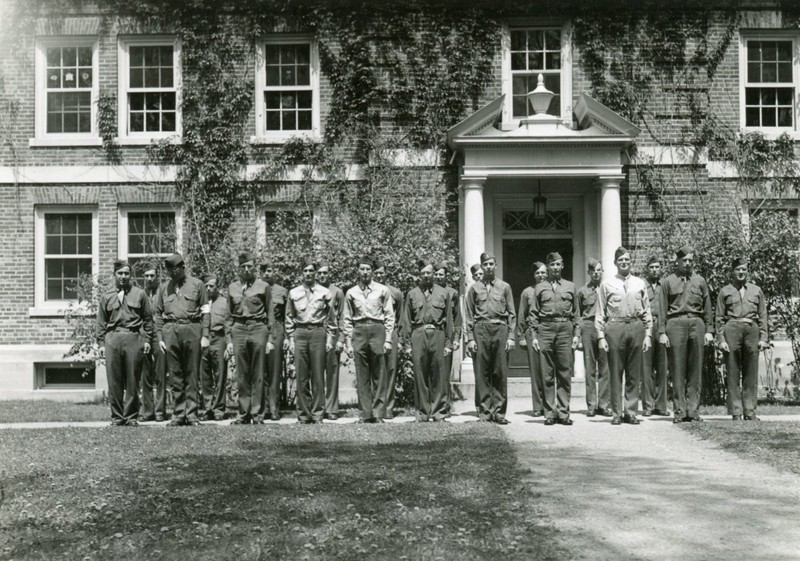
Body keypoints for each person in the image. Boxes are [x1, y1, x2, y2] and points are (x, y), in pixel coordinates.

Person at [596, 247, 653, 425]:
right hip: (615, 326)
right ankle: (616, 413)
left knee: (634, 372)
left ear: (631, 262)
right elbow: (600, 312)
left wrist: (648, 335)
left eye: (627, 260)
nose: (624, 263)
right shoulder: (606, 284)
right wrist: (601, 337)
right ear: (615, 263)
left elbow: (647, 311)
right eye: (620, 260)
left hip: (636, 326)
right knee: (615, 371)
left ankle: (630, 411)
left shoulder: (639, 283)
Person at [658, 245, 714, 423]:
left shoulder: (700, 281)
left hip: (696, 324)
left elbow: (707, 308)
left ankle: (693, 410)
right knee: (677, 368)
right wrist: (662, 332)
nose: (688, 263)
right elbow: (661, 309)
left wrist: (709, 331)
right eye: (684, 260)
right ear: (678, 261)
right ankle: (680, 411)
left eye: (690, 260)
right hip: (675, 324)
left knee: (695, 369)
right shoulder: (668, 282)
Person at [98, 259, 155, 427]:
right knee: (113, 380)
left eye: (126, 274)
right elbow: (101, 322)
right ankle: (117, 417)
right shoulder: (107, 296)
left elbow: (148, 319)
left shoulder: (140, 294)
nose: (123, 277)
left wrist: (148, 340)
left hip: (133, 338)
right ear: (114, 275)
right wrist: (101, 344)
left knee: (132, 379)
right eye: (120, 273)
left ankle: (130, 417)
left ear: (131, 276)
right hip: (113, 339)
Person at [154, 253, 210, 427]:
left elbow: (206, 310)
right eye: (169, 270)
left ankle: (192, 414)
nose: (172, 272)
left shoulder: (197, 284)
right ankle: (178, 414)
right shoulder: (164, 288)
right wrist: (160, 337)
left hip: (192, 328)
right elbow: (157, 314)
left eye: (175, 269)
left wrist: (205, 335)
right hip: (170, 330)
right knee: (175, 374)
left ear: (183, 267)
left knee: (192, 373)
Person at [464, 252, 515, 424]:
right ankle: (485, 412)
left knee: (499, 372)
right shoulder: (474, 289)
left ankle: (499, 413)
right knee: (482, 372)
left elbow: (512, 314)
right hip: (481, 330)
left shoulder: (504, 287)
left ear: (496, 266)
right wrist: (470, 338)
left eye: (491, 264)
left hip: (500, 329)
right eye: (485, 264)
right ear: (482, 266)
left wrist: (511, 337)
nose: (488, 267)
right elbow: (469, 315)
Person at [342, 257, 395, 423]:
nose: (365, 272)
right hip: (359, 330)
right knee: (362, 373)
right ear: (358, 271)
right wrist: (349, 343)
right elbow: (347, 318)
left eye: (368, 269)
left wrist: (387, 340)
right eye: (362, 269)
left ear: (372, 271)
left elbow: (389, 316)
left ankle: (378, 413)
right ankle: (366, 413)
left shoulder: (382, 290)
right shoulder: (351, 292)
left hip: (377, 329)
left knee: (379, 373)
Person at [715, 257, 769, 421]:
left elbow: (763, 315)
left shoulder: (756, 290)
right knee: (732, 371)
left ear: (747, 271)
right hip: (732, 329)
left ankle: (750, 411)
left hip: (751, 330)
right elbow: (719, 317)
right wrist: (721, 339)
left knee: (751, 372)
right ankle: (736, 411)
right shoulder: (725, 291)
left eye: (744, 269)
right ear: (732, 272)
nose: (741, 272)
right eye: (738, 269)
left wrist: (763, 337)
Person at [285, 258, 337, 424]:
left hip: (317, 332)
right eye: (305, 271)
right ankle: (303, 415)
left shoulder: (324, 292)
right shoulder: (293, 293)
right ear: (301, 273)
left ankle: (317, 414)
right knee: (301, 376)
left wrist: (329, 339)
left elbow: (331, 319)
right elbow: (288, 318)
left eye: (311, 271)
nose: (308, 274)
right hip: (300, 333)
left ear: (315, 273)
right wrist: (291, 340)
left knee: (317, 375)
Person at [402, 259, 454, 421]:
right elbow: (406, 321)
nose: (426, 275)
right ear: (419, 275)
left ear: (433, 274)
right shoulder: (412, 294)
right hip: (419, 335)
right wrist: (407, 344)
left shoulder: (443, 293)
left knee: (439, 374)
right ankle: (423, 412)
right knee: (420, 375)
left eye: (429, 273)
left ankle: (439, 412)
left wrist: (448, 342)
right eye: (423, 273)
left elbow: (449, 320)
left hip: (437, 334)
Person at [530, 252, 579, 426]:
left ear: (562, 266)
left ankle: (564, 413)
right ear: (548, 267)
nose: (555, 268)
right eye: (552, 265)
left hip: (565, 329)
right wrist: (534, 336)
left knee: (564, 373)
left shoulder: (571, 286)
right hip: (546, 329)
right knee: (547, 373)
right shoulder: (540, 287)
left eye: (558, 264)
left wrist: (576, 335)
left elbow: (576, 314)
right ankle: (550, 413)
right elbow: (533, 313)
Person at [227, 252, 274, 424]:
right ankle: (243, 413)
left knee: (258, 373)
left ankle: (257, 414)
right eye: (243, 267)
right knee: (242, 374)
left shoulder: (263, 286)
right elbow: (229, 316)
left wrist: (270, 339)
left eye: (249, 266)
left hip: (258, 328)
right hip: (239, 328)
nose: (246, 270)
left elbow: (270, 313)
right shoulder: (232, 288)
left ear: (255, 268)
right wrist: (229, 340)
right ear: (239, 268)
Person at [577, 259, 612, 418]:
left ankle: (604, 405)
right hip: (589, 327)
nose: (597, 273)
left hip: (604, 328)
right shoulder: (582, 291)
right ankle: (591, 405)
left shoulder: (608, 289)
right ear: (589, 273)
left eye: (599, 270)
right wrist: (577, 335)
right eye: (594, 271)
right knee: (590, 367)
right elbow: (578, 315)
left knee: (605, 368)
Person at [517, 261, 549, 416]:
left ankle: (550, 405)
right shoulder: (527, 292)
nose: (541, 275)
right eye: (538, 273)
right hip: (532, 333)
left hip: (549, 332)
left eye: (543, 272)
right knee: (536, 371)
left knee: (549, 370)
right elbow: (522, 315)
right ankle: (538, 406)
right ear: (534, 275)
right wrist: (521, 336)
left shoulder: (551, 289)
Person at [374, 260, 404, 419]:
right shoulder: (370, 291)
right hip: (376, 332)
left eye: (381, 272)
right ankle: (377, 406)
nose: (379, 275)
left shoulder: (395, 293)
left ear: (386, 273)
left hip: (391, 332)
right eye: (376, 273)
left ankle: (389, 408)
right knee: (376, 370)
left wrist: (398, 339)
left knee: (391, 369)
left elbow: (400, 317)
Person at [199, 273, 230, 421]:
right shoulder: (199, 302)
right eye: (206, 286)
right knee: (204, 376)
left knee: (220, 375)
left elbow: (229, 324)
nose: (209, 289)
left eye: (212, 286)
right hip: (203, 340)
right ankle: (207, 409)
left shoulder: (225, 302)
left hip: (219, 338)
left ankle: (218, 409)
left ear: (217, 287)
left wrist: (228, 344)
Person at [642, 255, 670, 417]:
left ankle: (661, 405)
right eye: (651, 267)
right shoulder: (641, 285)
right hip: (646, 325)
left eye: (657, 267)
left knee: (662, 367)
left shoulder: (665, 285)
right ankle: (648, 405)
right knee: (646, 368)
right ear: (647, 269)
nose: (654, 270)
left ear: (661, 269)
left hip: (662, 325)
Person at [139, 263, 167, 422]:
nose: (149, 279)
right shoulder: (140, 294)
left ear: (157, 277)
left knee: (161, 374)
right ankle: (147, 411)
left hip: (159, 335)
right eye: (146, 276)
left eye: (152, 276)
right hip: (144, 336)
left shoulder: (162, 292)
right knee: (145, 375)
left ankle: (160, 411)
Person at [434, 263, 462, 415]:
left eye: (441, 274)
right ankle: (432, 405)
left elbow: (457, 318)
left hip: (447, 336)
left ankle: (444, 406)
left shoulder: (453, 293)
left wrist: (456, 338)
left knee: (445, 372)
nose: (438, 277)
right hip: (432, 335)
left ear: (446, 276)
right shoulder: (429, 292)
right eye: (436, 274)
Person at [317, 262, 345, 420]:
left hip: (333, 335)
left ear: (329, 274)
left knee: (332, 372)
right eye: (319, 273)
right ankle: (319, 407)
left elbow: (342, 316)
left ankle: (332, 408)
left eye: (325, 273)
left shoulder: (337, 292)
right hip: (316, 333)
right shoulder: (312, 290)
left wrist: (341, 339)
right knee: (316, 372)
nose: (322, 276)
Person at [261, 259, 286, 421]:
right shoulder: (255, 290)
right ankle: (261, 409)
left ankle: (274, 408)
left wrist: (285, 336)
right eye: (263, 271)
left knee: (275, 371)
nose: (266, 273)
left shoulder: (282, 291)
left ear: (274, 272)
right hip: (260, 329)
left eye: (269, 270)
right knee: (259, 370)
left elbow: (286, 315)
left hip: (276, 329)